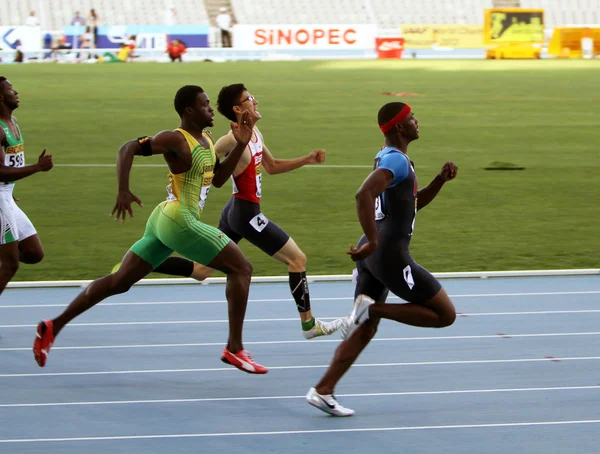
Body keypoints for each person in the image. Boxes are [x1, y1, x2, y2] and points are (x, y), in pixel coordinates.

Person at [33, 85, 268, 375]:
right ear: (189, 111)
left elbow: (218, 179)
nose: (211, 110)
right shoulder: (175, 139)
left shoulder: (206, 139)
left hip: (165, 219)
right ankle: (234, 349)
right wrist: (123, 190)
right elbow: (127, 148)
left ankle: (52, 326)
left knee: (119, 281)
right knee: (242, 268)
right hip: (179, 219)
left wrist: (242, 143)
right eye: (205, 105)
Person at [151, 84, 344, 340]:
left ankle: (144, 264)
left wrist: (306, 159)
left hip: (236, 210)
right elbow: (206, 157)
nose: (256, 101)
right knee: (297, 259)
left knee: (201, 270)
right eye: (250, 98)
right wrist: (191, 180)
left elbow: (272, 166)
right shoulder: (230, 139)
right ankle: (309, 324)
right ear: (237, 108)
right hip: (245, 214)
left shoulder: (254, 132)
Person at [305, 102, 458, 416]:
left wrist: (439, 181)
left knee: (365, 327)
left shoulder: (392, 158)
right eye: (412, 117)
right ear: (400, 127)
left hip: (375, 256)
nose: (418, 121)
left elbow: (410, 205)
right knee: (445, 315)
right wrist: (374, 241)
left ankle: (323, 390)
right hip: (388, 255)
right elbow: (364, 194)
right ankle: (371, 308)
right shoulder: (395, 161)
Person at [0, 77, 54, 303]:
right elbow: (0, 172)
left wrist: (9, 192)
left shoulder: (13, 122)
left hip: (6, 195)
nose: (16, 92)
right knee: (10, 264)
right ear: (1, 97)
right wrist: (37, 168)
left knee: (34, 253)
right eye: (11, 89)